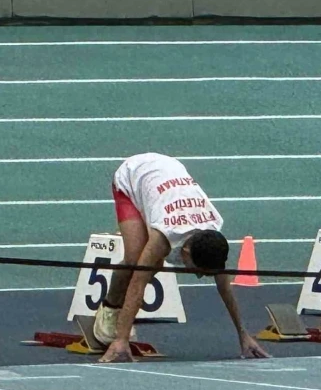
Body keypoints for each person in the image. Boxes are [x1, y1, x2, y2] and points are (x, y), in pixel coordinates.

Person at [93, 152, 270, 363]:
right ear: (186, 252)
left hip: (167, 178)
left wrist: (243, 334)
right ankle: (110, 307)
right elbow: (138, 283)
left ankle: (119, 317)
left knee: (153, 264)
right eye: (197, 271)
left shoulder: (212, 234)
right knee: (135, 261)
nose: (197, 277)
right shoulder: (164, 234)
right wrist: (121, 340)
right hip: (132, 176)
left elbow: (225, 289)